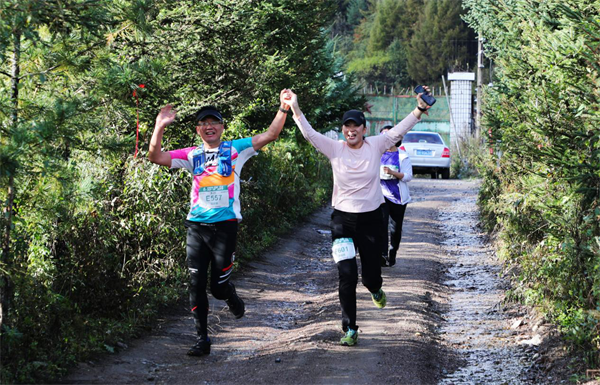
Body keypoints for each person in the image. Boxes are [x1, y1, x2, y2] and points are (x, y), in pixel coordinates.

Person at [282, 87, 430, 346]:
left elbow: (398, 131)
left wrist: (419, 109)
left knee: (370, 277)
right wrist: (294, 107)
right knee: (346, 275)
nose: (351, 130)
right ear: (343, 130)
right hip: (342, 222)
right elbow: (310, 134)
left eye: (356, 126)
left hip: (372, 220)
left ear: (364, 128)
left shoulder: (375, 145)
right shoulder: (335, 148)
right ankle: (349, 328)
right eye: (347, 127)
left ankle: (376, 289)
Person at [148, 90, 290, 356]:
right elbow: (155, 156)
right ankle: (202, 339)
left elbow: (270, 135)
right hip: (196, 227)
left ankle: (231, 296)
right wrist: (159, 127)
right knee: (196, 283)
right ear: (198, 129)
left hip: (226, 227)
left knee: (218, 287)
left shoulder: (236, 149)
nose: (209, 126)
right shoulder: (190, 155)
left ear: (222, 127)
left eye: (214, 122)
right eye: (204, 123)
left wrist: (283, 108)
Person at [379, 125, 413, 267]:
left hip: (398, 198)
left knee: (395, 228)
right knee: (381, 224)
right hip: (381, 195)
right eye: (382, 135)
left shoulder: (402, 156)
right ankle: (382, 255)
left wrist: (393, 173)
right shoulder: (376, 154)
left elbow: (408, 177)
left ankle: (393, 253)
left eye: (388, 135)